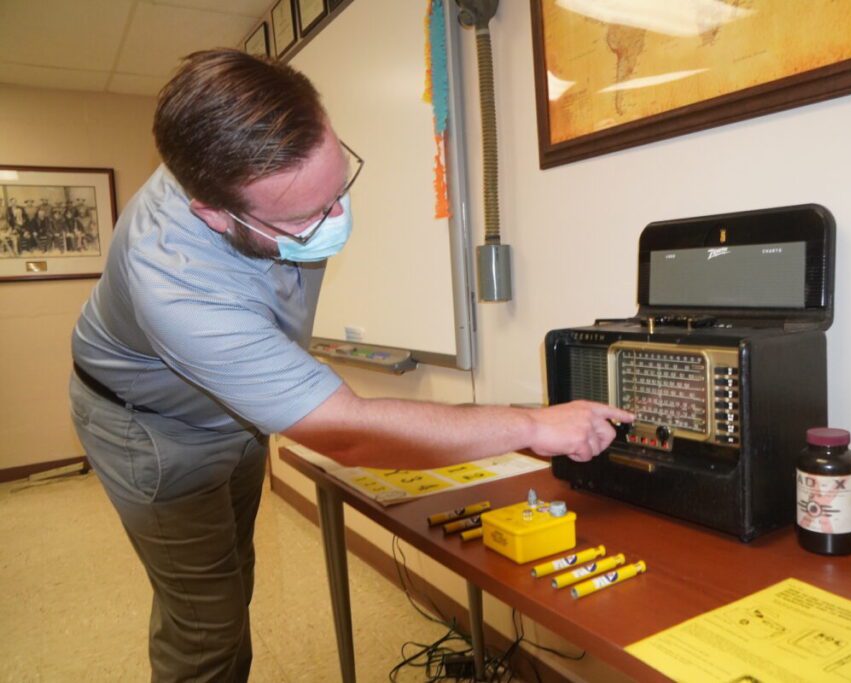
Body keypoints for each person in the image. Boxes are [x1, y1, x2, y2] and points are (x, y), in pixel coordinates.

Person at [68, 49, 631, 682]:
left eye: (338, 188)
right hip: (152, 425)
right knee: (206, 624)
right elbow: (350, 432)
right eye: (308, 219)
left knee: (234, 575)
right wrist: (531, 424)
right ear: (214, 215)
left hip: (232, 413)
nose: (337, 219)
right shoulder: (173, 282)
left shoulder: (246, 163)